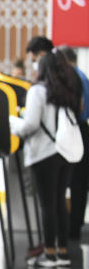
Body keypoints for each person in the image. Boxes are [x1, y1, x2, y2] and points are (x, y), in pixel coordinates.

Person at [10, 50, 83, 268]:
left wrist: (14, 123)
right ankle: (62, 250)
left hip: (43, 153)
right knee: (60, 201)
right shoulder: (68, 90)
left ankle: (48, 253)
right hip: (64, 152)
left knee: (47, 204)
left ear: (42, 68)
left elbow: (31, 125)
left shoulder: (37, 92)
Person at [58, 46, 89, 244]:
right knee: (80, 183)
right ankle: (75, 227)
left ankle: (69, 230)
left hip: (73, 129)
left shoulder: (71, 78)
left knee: (68, 182)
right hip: (83, 129)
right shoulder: (83, 77)